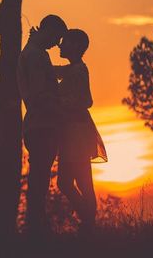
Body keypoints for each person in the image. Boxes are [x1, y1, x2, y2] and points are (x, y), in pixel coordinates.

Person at [17, 14, 67, 236]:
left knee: (39, 176)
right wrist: (62, 111)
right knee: (39, 177)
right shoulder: (35, 56)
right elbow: (40, 94)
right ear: (47, 30)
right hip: (42, 124)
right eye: (56, 37)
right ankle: (37, 227)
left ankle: (37, 225)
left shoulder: (32, 54)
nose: (57, 44)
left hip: (38, 124)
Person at [54, 29, 107, 235]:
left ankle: (88, 226)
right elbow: (52, 71)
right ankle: (88, 225)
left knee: (81, 182)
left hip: (77, 131)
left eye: (64, 42)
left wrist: (61, 103)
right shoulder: (73, 70)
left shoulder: (78, 70)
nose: (60, 45)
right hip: (72, 131)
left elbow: (87, 100)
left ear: (75, 46)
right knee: (67, 182)